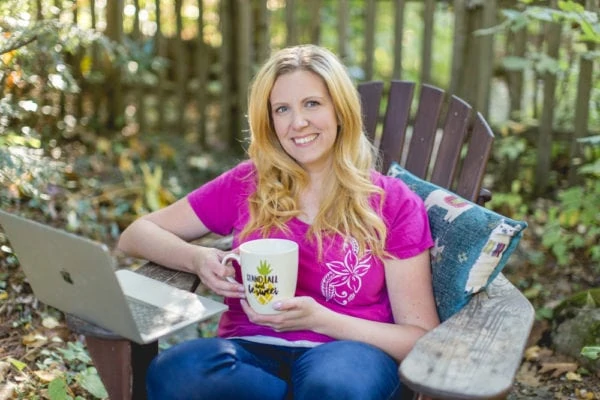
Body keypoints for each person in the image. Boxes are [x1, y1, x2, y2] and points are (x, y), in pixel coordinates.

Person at [117, 44, 440, 400]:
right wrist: (197, 259)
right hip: (249, 351)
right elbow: (136, 235)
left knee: (333, 388)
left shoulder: (391, 202)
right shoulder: (249, 183)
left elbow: (420, 337)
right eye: (282, 109)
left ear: (340, 110)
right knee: (177, 373)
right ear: (269, 122)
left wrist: (320, 319)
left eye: (312, 104)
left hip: (349, 351)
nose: (297, 122)